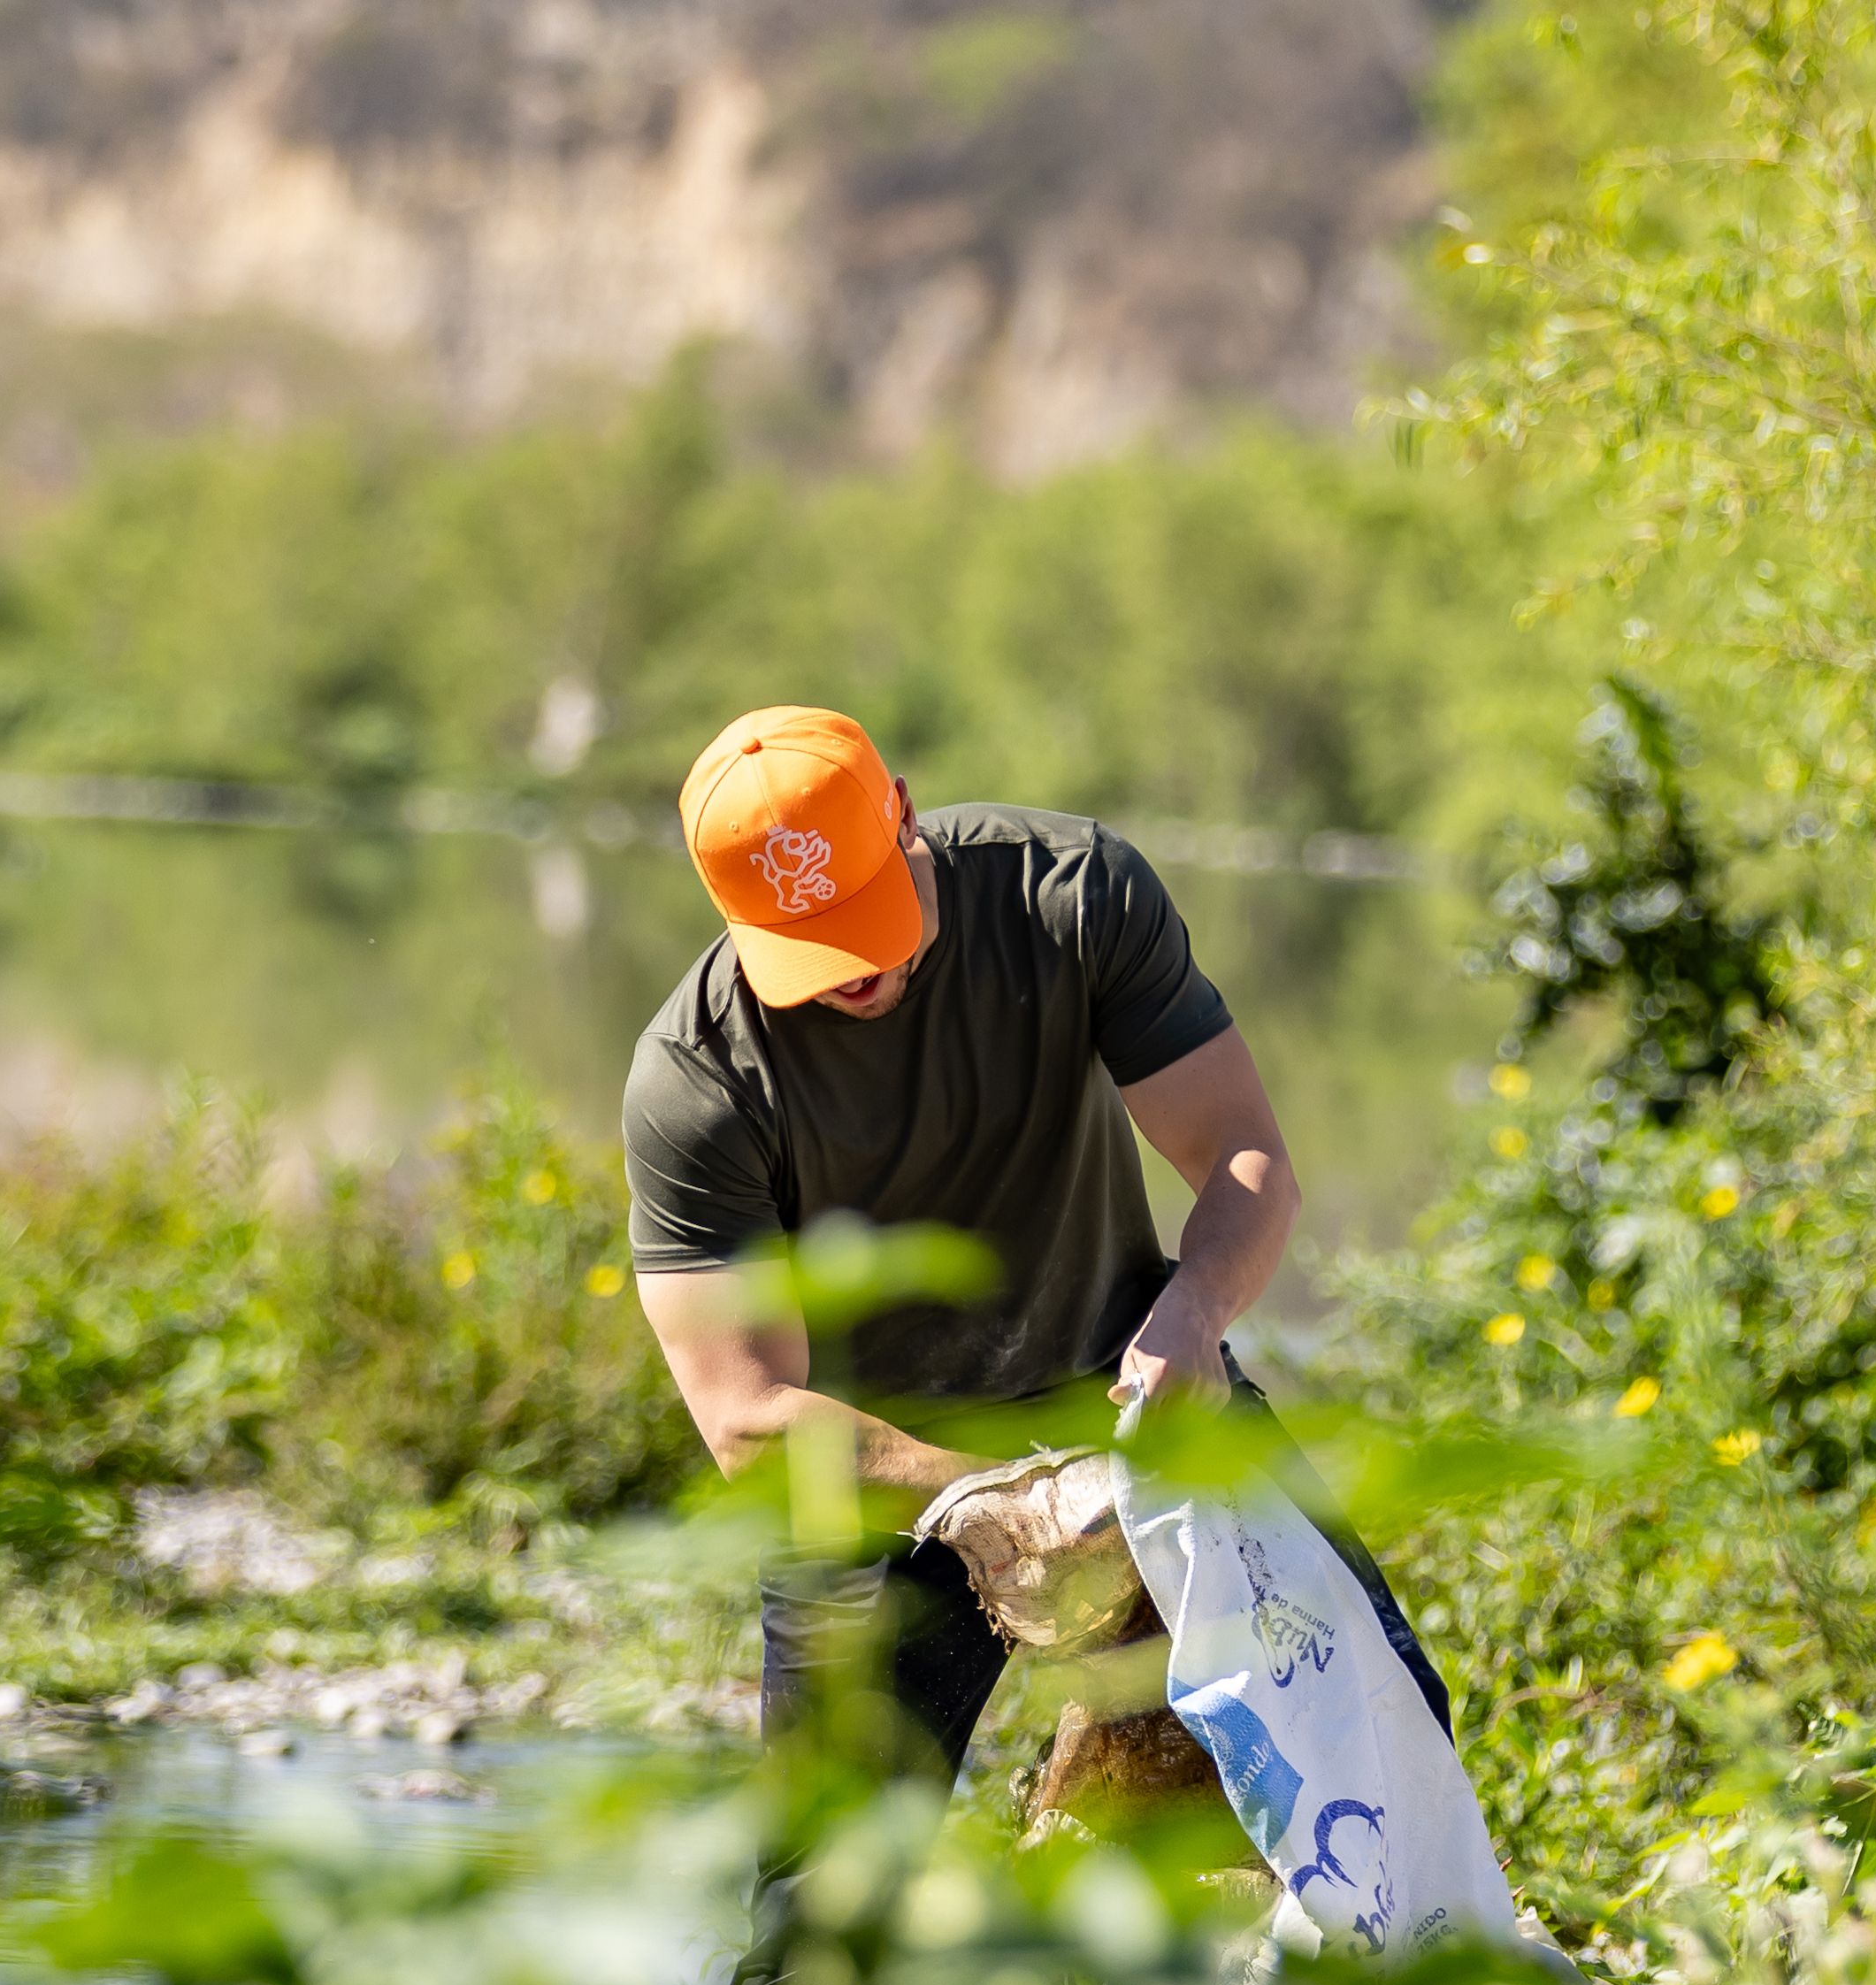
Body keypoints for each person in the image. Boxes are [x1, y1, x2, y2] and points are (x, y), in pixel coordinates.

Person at [621, 702, 1451, 1774]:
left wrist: (1195, 1312)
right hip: (879, 1474)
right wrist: (1008, 1499)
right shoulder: (698, 1079)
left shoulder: (1069, 894)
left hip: (1127, 1402)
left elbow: (1245, 1155)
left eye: (861, 915)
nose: (848, 972)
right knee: (831, 1873)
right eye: (805, 947)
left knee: (1385, 1727)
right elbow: (747, 1421)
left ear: (902, 813)